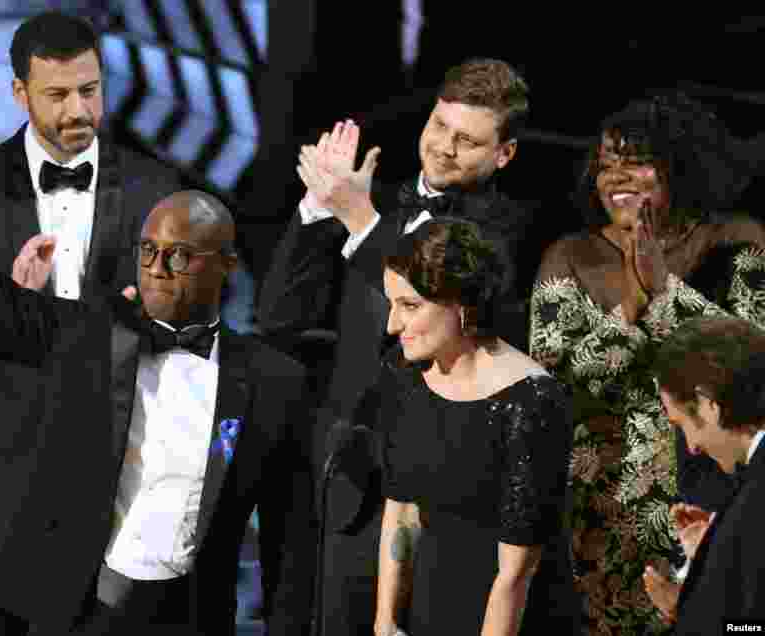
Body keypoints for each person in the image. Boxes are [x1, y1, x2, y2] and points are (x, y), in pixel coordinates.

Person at [0, 150, 316, 635]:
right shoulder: (90, 338)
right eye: (147, 251)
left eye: (180, 255)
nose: (157, 268)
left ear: (227, 265)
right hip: (84, 611)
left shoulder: (275, 383)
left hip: (194, 617)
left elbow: (290, 545)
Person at [0, 12, 179, 635]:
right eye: (56, 95)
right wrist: (7, 299)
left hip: (112, 472)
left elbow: (183, 327)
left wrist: (152, 314)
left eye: (89, 91)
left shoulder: (154, 185)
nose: (76, 111)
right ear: (19, 93)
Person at [258, 58, 534, 635]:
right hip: (332, 476)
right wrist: (315, 206)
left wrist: (358, 218)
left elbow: (435, 301)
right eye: (439, 126)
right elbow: (279, 316)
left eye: (468, 140)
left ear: (503, 154)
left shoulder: (509, 231)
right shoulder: (370, 199)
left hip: (430, 492)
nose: (444, 148)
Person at [529, 93, 765, 634]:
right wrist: (631, 309)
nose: (616, 176)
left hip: (708, 493)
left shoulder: (737, 243)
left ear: (679, 164)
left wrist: (665, 290)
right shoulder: (569, 255)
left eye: (634, 161)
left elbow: (752, 362)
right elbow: (555, 376)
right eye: (606, 163)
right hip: (603, 504)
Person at [370, 218, 577, 635]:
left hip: (507, 614)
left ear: (462, 304)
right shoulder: (405, 374)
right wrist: (386, 622)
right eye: (392, 304)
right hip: (430, 599)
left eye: (409, 306)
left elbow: (517, 572)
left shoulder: (531, 400)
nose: (393, 325)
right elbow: (402, 512)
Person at [642, 317, 765, 634]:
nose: (692, 447)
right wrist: (716, 554)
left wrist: (687, 611)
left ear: (708, 403)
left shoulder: (755, 502)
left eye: (682, 425)